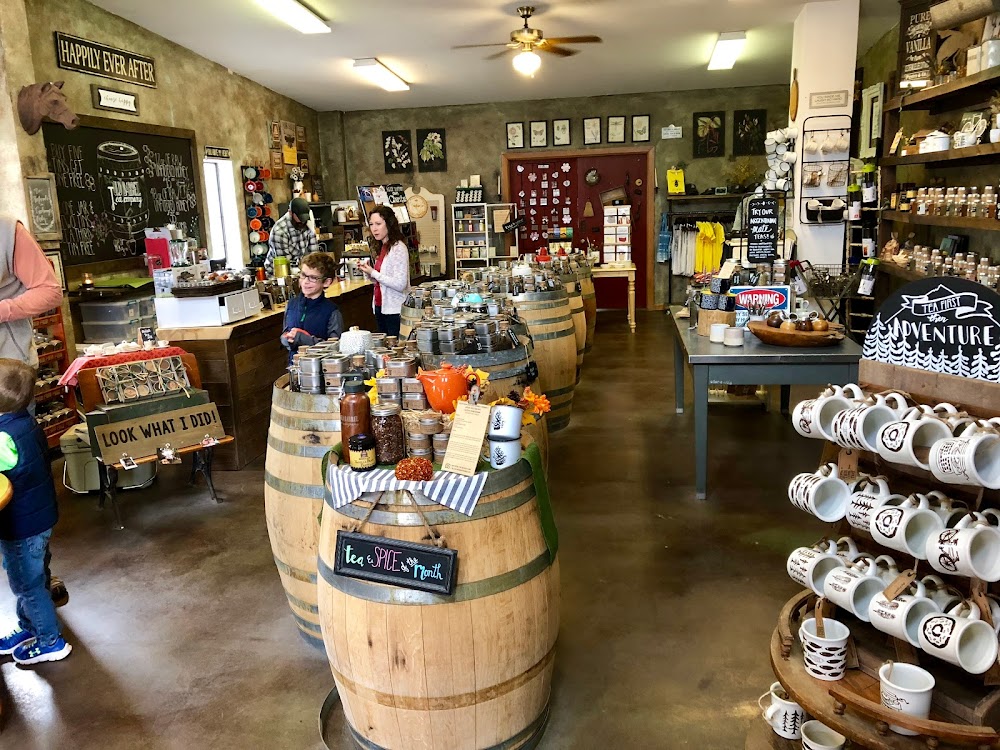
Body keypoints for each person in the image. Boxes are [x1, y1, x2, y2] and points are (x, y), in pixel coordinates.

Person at [0, 216, 67, 608]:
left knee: (19, 473)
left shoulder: (7, 231)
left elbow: (49, 291)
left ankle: (37, 577)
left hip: (5, 377)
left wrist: (3, 309)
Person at [0, 358, 71, 664]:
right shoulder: (24, 423)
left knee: (26, 585)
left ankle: (49, 641)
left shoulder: (3, 437)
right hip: (38, 517)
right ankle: (30, 626)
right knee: (34, 577)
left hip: (20, 525)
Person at [280, 251, 344, 363]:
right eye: (303, 275)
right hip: (295, 366)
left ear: (326, 282)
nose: (305, 282)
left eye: (313, 278)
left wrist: (304, 339)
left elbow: (335, 348)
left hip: (320, 368)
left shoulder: (331, 311)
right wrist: (287, 339)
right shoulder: (291, 305)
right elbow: (285, 332)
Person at [358, 206, 410, 337]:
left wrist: (374, 273)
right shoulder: (382, 247)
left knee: (395, 345)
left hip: (395, 310)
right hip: (380, 306)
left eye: (378, 224)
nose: (374, 228)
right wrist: (368, 272)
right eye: (371, 224)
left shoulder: (398, 248)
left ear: (389, 224)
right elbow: (381, 280)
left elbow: (400, 284)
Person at [264, 197, 318, 274]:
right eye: (300, 218)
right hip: (278, 271)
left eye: (305, 219)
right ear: (290, 213)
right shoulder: (280, 232)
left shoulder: (307, 223)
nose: (302, 222)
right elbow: (285, 263)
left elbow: (314, 253)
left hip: (297, 268)